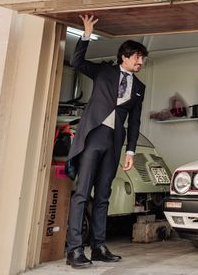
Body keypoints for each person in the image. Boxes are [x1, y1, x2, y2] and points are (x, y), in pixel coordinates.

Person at [65, 14, 148, 269]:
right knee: (82, 193)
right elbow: (77, 61)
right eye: (137, 57)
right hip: (93, 136)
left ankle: (98, 246)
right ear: (124, 55)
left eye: (143, 58)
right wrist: (86, 34)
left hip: (115, 140)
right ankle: (75, 249)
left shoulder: (139, 87)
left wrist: (131, 150)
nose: (140, 61)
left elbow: (134, 121)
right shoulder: (103, 71)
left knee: (103, 194)